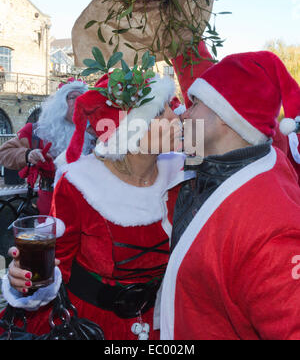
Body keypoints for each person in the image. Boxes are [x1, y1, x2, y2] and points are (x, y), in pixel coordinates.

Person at [1, 71, 194, 340]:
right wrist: (25, 280)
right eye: (161, 113)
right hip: (94, 327)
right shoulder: (80, 184)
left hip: (166, 321)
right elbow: (54, 269)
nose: (177, 118)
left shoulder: (182, 176)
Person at [160, 51, 300, 340]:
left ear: (226, 116)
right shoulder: (223, 170)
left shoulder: (270, 229)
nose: (184, 113)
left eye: (195, 103)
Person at [0, 78, 94, 215]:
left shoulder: (94, 131)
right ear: (60, 103)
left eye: (83, 98)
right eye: (73, 97)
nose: (79, 101)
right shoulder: (38, 131)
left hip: (87, 203)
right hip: (51, 205)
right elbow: (4, 153)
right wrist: (28, 154)